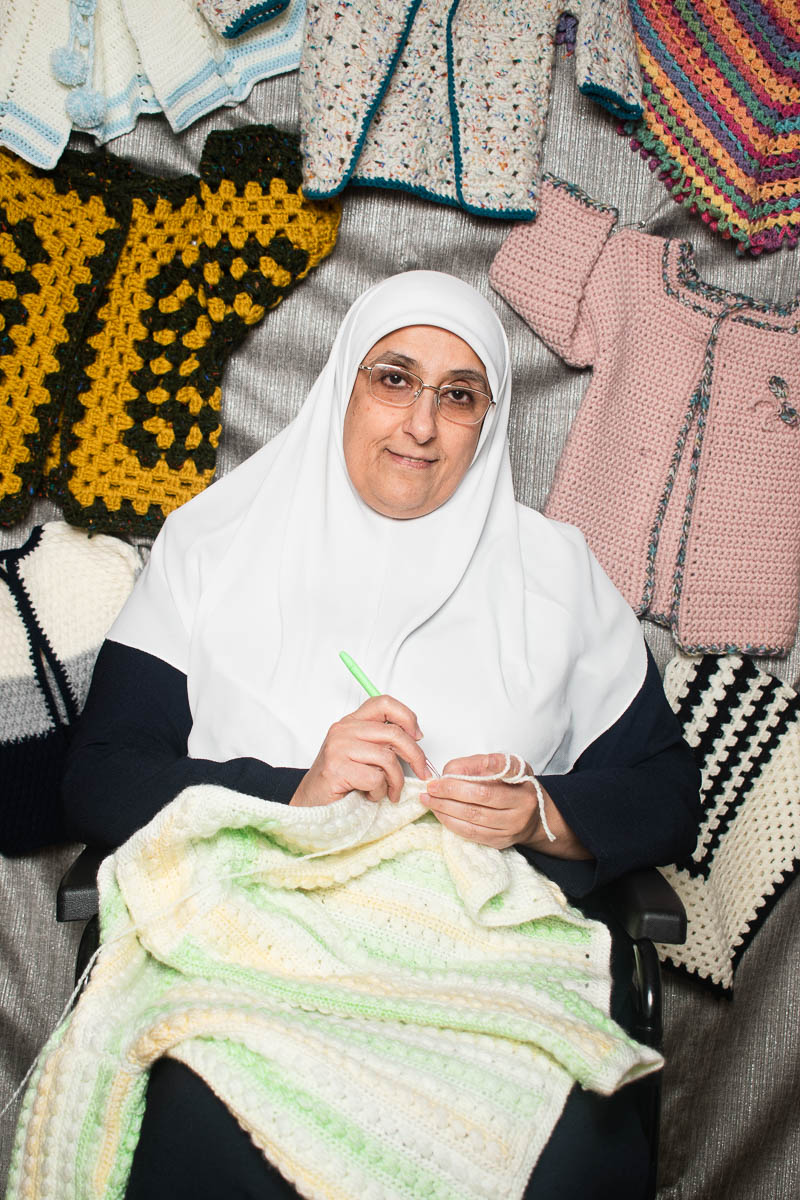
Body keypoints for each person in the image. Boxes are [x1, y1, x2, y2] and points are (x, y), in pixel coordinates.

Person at [63, 271, 700, 1200]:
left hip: (481, 979)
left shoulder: (557, 574)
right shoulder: (211, 545)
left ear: (491, 417)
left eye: (459, 394)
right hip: (251, 961)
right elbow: (99, 778)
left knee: (571, 1151)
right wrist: (295, 790)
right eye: (393, 379)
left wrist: (539, 813)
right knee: (214, 1134)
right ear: (341, 386)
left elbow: (668, 791)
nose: (421, 426)